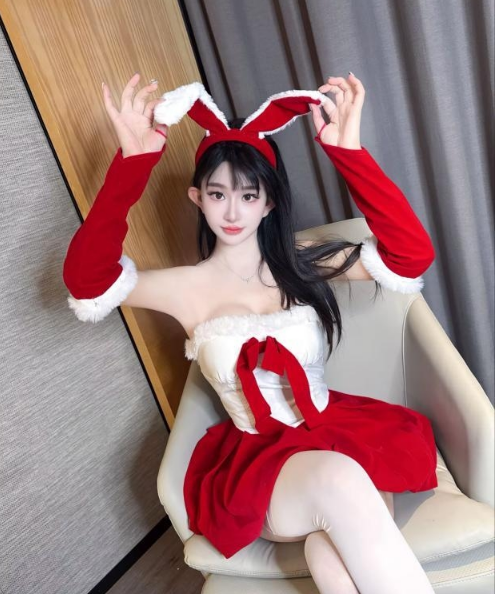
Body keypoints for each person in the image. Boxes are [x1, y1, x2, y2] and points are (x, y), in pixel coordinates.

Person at [63, 72, 438, 593]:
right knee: (340, 479)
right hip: (262, 466)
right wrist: (133, 164)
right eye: (218, 193)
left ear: (270, 202)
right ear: (197, 197)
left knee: (330, 557)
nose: (233, 211)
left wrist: (348, 152)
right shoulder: (183, 288)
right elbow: (86, 282)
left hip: (340, 432)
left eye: (249, 193)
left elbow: (411, 255)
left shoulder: (303, 264)